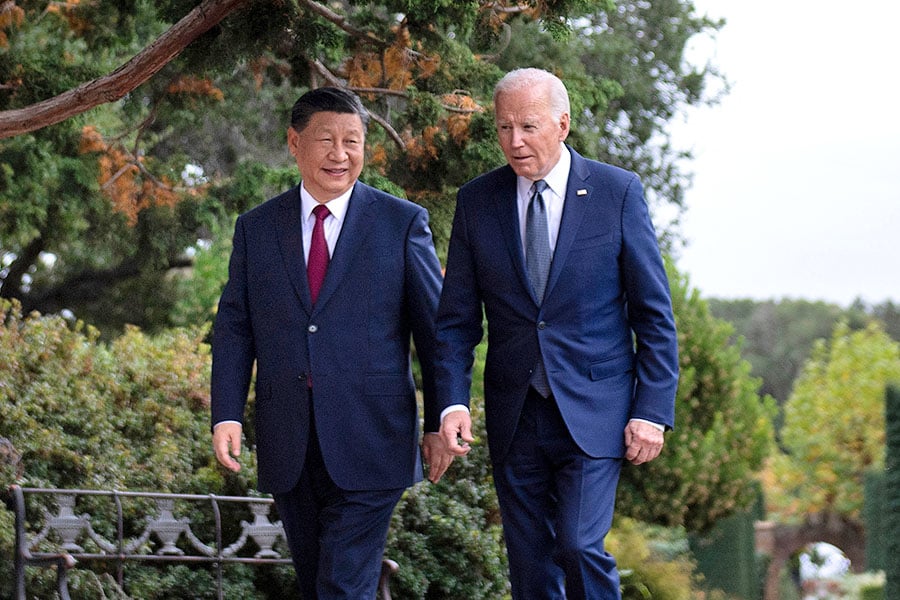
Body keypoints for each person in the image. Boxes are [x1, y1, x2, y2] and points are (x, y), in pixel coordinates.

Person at [433, 68, 680, 599]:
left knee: (577, 543)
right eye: (503, 128)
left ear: (562, 124)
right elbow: (455, 321)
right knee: (530, 566)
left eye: (528, 125)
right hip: (514, 411)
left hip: (596, 406)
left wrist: (652, 410)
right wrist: (451, 402)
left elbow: (653, 314)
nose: (515, 141)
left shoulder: (617, 193)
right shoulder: (478, 202)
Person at [211, 86, 450, 599]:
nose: (340, 155)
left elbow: (436, 332)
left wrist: (441, 418)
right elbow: (235, 327)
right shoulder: (256, 229)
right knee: (320, 583)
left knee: (342, 584)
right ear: (294, 144)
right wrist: (226, 413)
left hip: (375, 439)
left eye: (353, 141)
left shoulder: (402, 223)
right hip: (289, 440)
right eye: (326, 140)